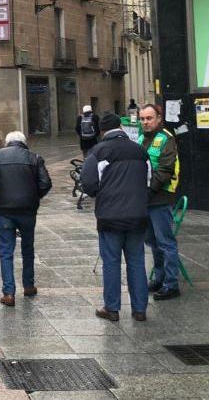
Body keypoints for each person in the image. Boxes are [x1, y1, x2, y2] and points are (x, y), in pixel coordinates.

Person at [79, 112, 151, 322]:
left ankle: (112, 308)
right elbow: (148, 180)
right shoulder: (140, 151)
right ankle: (140, 309)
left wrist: (102, 194)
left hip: (110, 217)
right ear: (121, 126)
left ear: (102, 131)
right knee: (136, 261)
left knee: (111, 262)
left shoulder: (98, 151)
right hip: (137, 215)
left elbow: (88, 183)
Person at [0, 130, 52, 307]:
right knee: (28, 248)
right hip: (28, 210)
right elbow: (45, 183)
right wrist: (34, 196)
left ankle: (8, 293)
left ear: (7, 142)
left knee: (6, 251)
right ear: (24, 142)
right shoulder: (34, 157)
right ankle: (28, 285)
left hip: (5, 210)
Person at [139, 103, 182, 301]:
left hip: (160, 198)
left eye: (149, 118)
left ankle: (171, 284)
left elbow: (165, 170)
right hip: (146, 199)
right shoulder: (142, 139)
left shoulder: (166, 138)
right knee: (152, 242)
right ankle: (159, 277)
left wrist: (148, 191)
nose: (145, 122)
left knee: (165, 242)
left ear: (158, 119)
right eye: (142, 119)